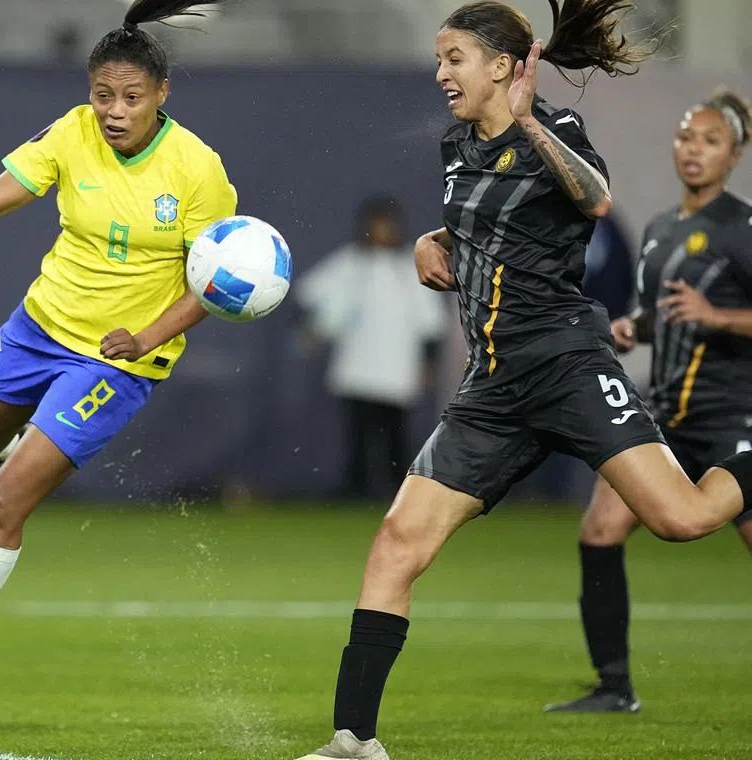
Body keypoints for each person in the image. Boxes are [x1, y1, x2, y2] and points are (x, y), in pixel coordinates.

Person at [296, 3, 752, 759]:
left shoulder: (558, 134)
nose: (442, 73)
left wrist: (528, 122)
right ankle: (353, 741)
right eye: (440, 59)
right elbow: (479, 226)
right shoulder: (455, 146)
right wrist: (427, 241)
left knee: (682, 520)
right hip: (493, 389)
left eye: (456, 59)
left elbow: (595, 198)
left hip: (569, 366)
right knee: (396, 542)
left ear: (505, 67)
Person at [0, 0, 235, 715]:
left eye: (131, 97)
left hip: (116, 363)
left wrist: (146, 339)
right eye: (102, 96)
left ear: (162, 95)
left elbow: (212, 286)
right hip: (38, 329)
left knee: (3, 504)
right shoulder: (70, 134)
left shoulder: (197, 170)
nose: (114, 111)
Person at [547, 88, 752, 714]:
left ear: (735, 155)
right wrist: (637, 325)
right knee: (601, 530)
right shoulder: (662, 228)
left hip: (731, 417)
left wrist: (718, 316)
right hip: (663, 415)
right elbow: (662, 314)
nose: (693, 150)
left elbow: (711, 312)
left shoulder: (742, 229)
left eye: (710, 141)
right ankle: (613, 687)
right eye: (687, 137)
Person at [297, 196, 446, 499]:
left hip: (397, 371)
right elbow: (309, 296)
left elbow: (431, 324)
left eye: (386, 226)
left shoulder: (409, 267)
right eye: (375, 226)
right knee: (358, 434)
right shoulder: (350, 263)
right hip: (356, 368)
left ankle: (400, 492)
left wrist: (428, 365)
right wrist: (312, 328)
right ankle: (355, 488)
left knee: (395, 435)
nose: (382, 232)